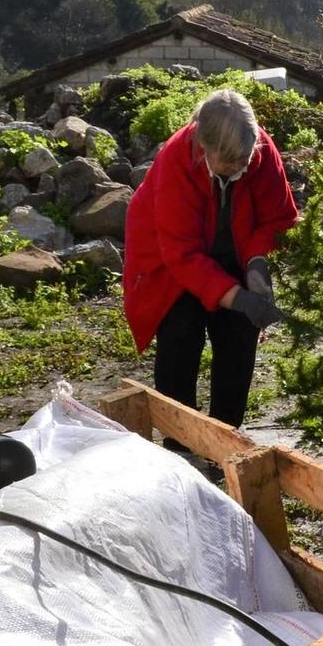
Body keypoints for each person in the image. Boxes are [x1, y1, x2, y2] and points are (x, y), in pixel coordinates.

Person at [123, 88, 298, 429]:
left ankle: (225, 436)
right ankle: (180, 441)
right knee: (180, 335)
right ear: (204, 146)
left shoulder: (260, 150)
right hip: (169, 260)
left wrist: (256, 269)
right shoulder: (177, 160)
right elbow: (182, 254)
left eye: (243, 160)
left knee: (239, 334)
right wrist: (240, 299)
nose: (238, 168)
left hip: (232, 248)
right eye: (228, 162)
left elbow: (278, 219)